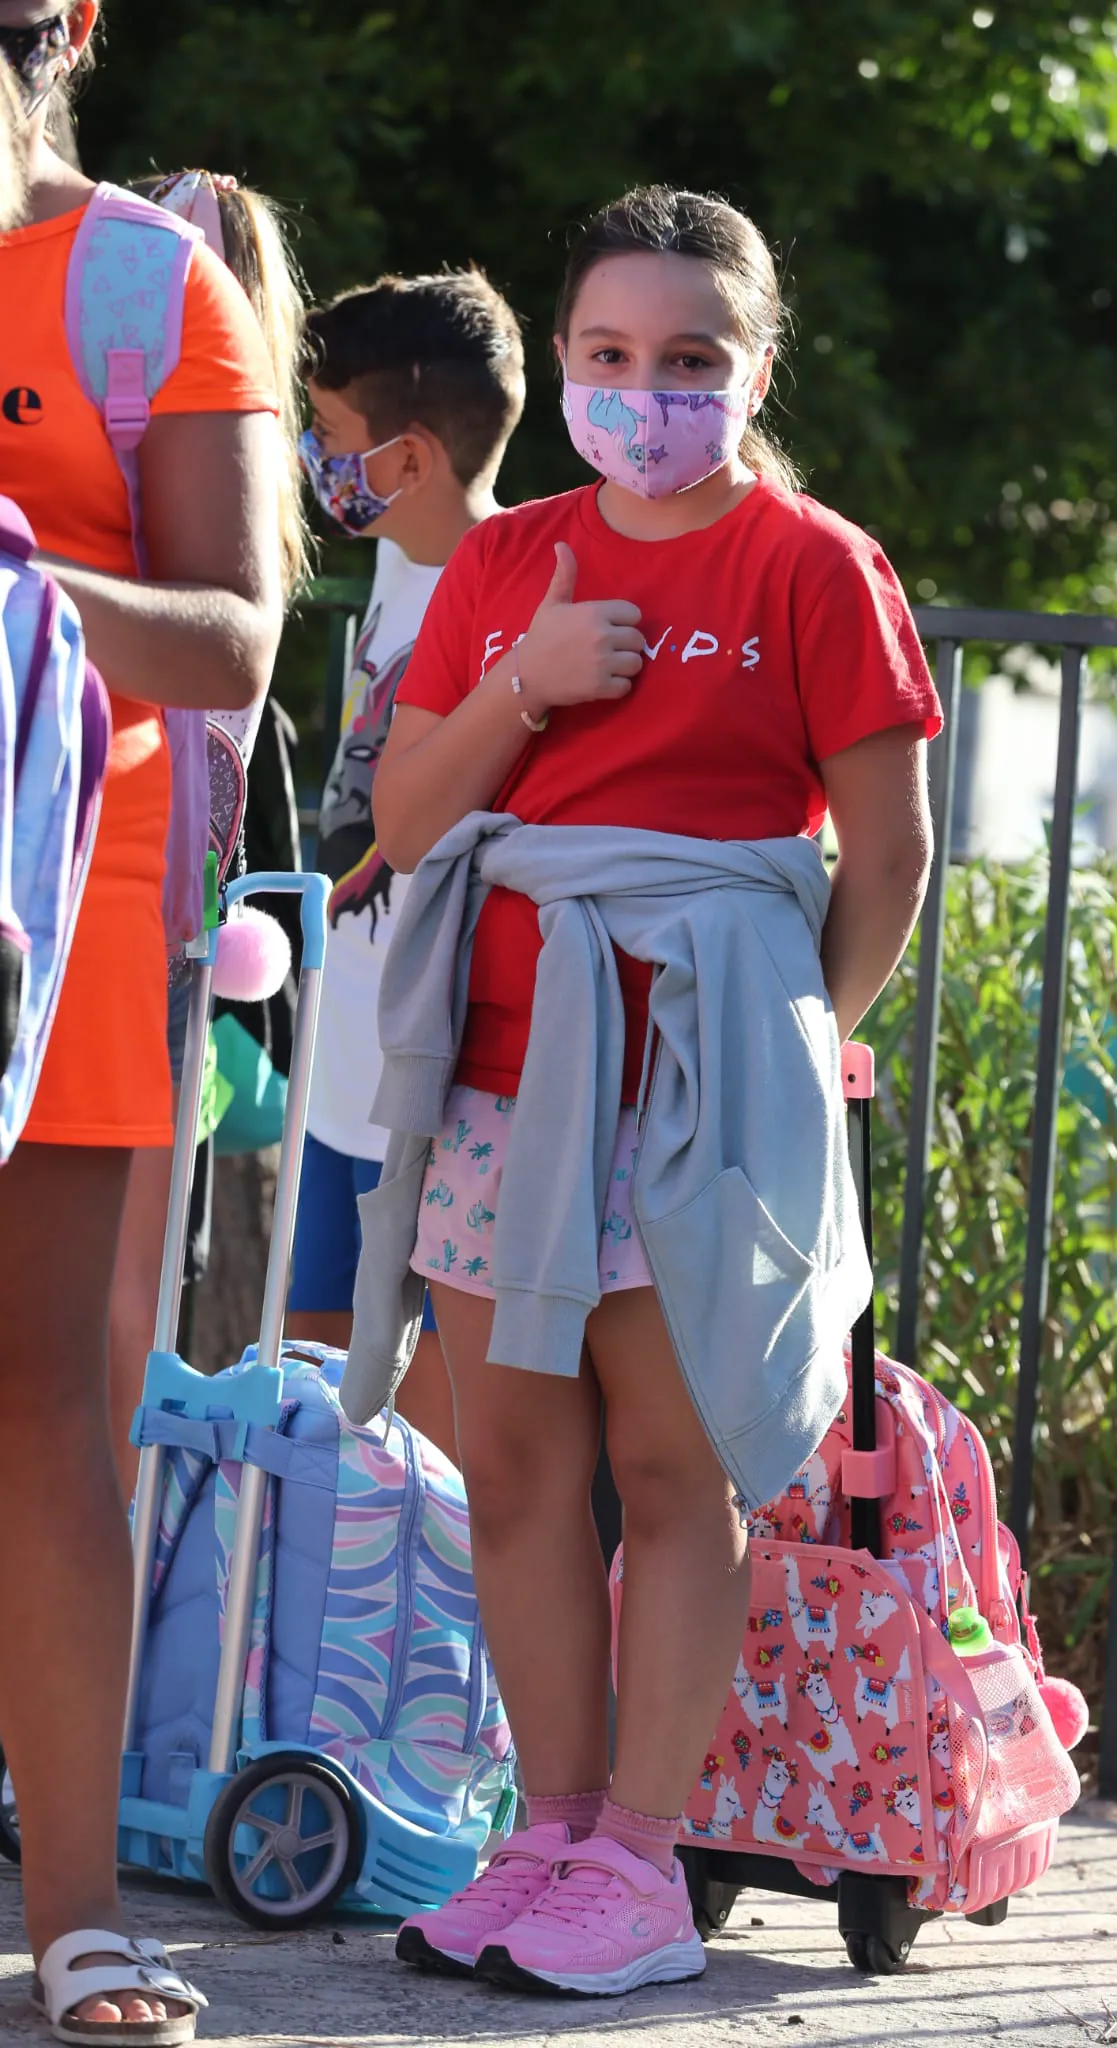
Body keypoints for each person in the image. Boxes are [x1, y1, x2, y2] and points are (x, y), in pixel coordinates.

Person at [369, 184, 939, 1998]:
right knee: (521, 1467)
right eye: (611, 355)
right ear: (562, 363)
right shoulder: (501, 563)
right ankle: (543, 1832)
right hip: (496, 1080)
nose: (648, 389)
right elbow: (401, 823)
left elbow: (891, 852)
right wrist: (525, 689)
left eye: (690, 359)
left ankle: (638, 1856)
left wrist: (772, 1047)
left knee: (671, 1471)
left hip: (695, 1097)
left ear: (755, 369)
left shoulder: (814, 563)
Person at [0, 5, 283, 2040]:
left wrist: (13, 583)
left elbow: (235, 623)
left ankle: (77, 1910)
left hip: (59, 913)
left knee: (38, 1413)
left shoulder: (137, 280)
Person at [285, 269, 526, 1466]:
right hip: (340, 1069)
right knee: (310, 1388)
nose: (315, 457)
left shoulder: (515, 587)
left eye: (330, 435)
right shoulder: (394, 559)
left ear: (413, 457)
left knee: (420, 1449)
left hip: (428, 1088)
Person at [106, 166, 310, 1502]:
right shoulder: (261, 490)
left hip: (139, 901)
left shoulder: (186, 476)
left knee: (111, 1318)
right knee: (118, 1312)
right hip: (164, 912)